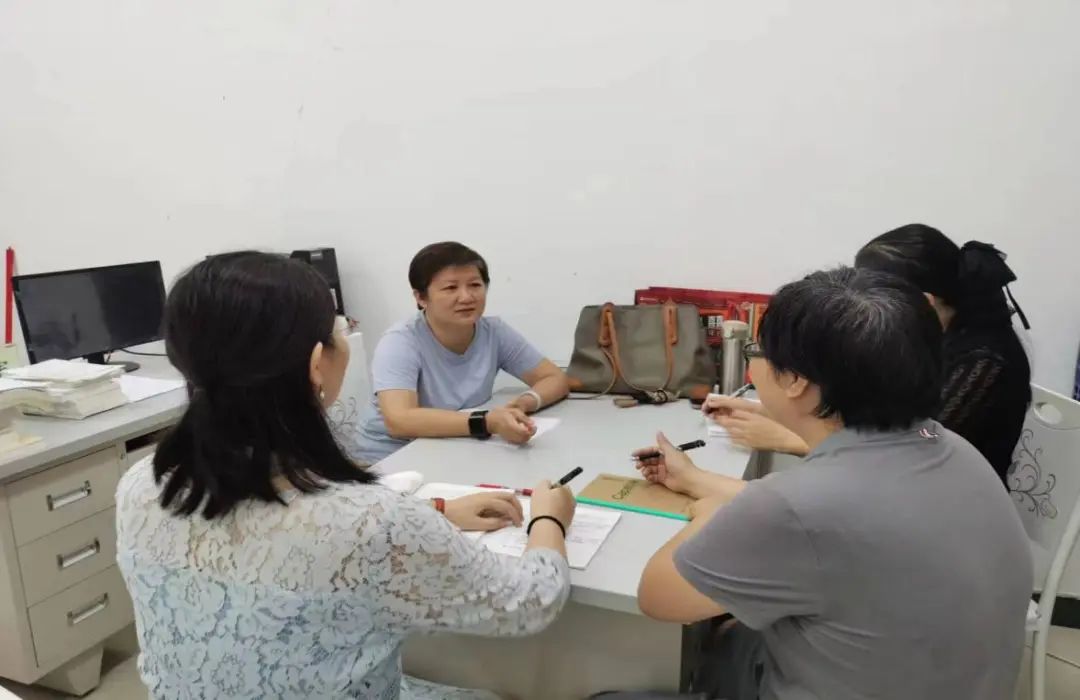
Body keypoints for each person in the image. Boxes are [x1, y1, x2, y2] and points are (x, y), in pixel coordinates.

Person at [115, 252, 577, 699]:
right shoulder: (371, 522)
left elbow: (277, 529)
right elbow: (530, 602)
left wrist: (435, 510)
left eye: (474, 285)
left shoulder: (140, 484)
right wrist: (548, 518)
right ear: (317, 363)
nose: (465, 296)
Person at [619, 267, 1032, 700]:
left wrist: (709, 514)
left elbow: (658, 596)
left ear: (795, 380)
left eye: (757, 350)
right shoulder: (951, 447)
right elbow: (834, 528)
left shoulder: (797, 509)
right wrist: (696, 479)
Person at [707, 224, 1031, 485]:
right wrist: (773, 410)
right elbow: (873, 424)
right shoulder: (927, 341)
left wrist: (788, 438)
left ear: (923, 302)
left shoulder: (985, 361)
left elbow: (917, 448)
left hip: (938, 500)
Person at [350, 241, 569, 463]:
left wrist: (523, 403)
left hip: (452, 447)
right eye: (450, 288)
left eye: (475, 285)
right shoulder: (400, 341)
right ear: (421, 298)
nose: (466, 297)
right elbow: (399, 420)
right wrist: (487, 422)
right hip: (389, 458)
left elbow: (554, 378)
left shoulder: (494, 332)